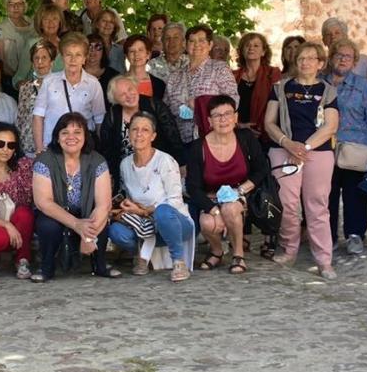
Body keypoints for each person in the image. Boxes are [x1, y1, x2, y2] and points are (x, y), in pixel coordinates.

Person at [263, 42, 340, 279]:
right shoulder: (280, 88)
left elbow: (331, 126)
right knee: (286, 204)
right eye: (301, 59)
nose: (305, 62)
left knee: (317, 207)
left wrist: (304, 147)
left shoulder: (328, 91)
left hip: (317, 152)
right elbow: (269, 122)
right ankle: (289, 248)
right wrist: (288, 143)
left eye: (310, 58)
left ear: (320, 63)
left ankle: (324, 260)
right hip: (284, 150)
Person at [107, 113, 194, 281]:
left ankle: (178, 261)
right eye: (135, 129)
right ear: (129, 134)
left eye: (145, 130)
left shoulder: (165, 161)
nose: (139, 134)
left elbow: (175, 201)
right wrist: (127, 205)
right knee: (116, 231)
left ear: (153, 136)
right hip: (145, 226)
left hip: (174, 223)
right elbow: (129, 195)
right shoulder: (125, 164)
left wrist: (144, 211)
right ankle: (139, 254)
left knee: (163, 212)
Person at [189, 96, 269, 274]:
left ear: (236, 117)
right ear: (209, 121)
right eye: (217, 115)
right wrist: (212, 209)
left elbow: (262, 169)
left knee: (230, 209)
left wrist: (239, 191)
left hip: (241, 191)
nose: (223, 119)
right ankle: (217, 252)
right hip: (210, 197)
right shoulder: (198, 147)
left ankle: (238, 254)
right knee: (207, 222)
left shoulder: (246, 138)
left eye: (227, 114)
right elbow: (192, 187)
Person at [31, 113, 116, 281]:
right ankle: (46, 267)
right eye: (65, 133)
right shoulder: (44, 161)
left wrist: (88, 235)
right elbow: (43, 203)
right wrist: (77, 225)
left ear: (85, 136)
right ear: (57, 137)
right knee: (47, 225)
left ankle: (99, 264)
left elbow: (104, 204)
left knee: (100, 216)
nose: (71, 137)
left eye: (77, 132)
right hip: (56, 213)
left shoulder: (97, 161)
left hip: (86, 213)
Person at [325, 38, 367, 254]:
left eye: (347, 57)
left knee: (355, 194)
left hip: (355, 147)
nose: (342, 60)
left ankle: (355, 235)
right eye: (338, 55)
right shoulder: (320, 83)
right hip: (325, 147)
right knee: (326, 193)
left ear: (354, 61)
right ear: (331, 58)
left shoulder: (363, 86)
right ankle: (328, 236)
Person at [164, 24, 239, 149]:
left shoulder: (220, 69)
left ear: (210, 45)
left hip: (214, 141)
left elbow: (233, 101)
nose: (196, 45)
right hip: (182, 142)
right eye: (192, 41)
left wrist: (201, 104)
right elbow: (166, 109)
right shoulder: (174, 76)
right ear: (185, 45)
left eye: (201, 41)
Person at [0, 123, 36, 279]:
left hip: (18, 225)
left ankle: (22, 260)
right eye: (0, 144)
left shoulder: (23, 168)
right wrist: (6, 225)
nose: (5, 149)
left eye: (11, 145)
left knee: (25, 214)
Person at [98, 75, 182, 182]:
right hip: (125, 173)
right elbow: (107, 149)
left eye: (130, 89)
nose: (129, 95)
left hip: (157, 170)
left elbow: (173, 135)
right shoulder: (112, 115)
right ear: (115, 100)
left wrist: (181, 163)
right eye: (122, 94)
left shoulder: (154, 104)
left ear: (136, 87)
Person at [31, 33, 106, 154]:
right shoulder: (49, 81)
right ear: (62, 57)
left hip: (82, 150)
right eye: (68, 54)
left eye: (78, 55)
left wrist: (98, 148)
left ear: (84, 58)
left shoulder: (93, 84)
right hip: (52, 147)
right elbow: (38, 116)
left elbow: (99, 119)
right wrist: (39, 149)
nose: (73, 60)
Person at [234, 32, 282, 141]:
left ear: (263, 51)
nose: (251, 48)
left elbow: (277, 103)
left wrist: (258, 128)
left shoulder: (273, 73)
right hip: (238, 132)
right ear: (241, 50)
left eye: (256, 45)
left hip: (265, 133)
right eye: (247, 45)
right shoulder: (233, 76)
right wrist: (240, 125)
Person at [17, 40, 56, 156]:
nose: (40, 62)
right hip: (27, 149)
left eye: (44, 58)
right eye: (36, 58)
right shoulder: (25, 88)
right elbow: (20, 120)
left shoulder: (60, 85)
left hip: (52, 148)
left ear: (52, 61)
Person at [0, 0, 37, 86]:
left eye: (19, 3)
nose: (16, 7)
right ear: (6, 7)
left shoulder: (34, 25)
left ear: (25, 6)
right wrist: (17, 78)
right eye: (11, 4)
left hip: (34, 79)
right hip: (10, 79)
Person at [121, 34, 165, 101]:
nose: (136, 54)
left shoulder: (159, 85)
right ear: (126, 56)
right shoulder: (116, 83)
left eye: (140, 50)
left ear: (148, 55)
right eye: (132, 51)